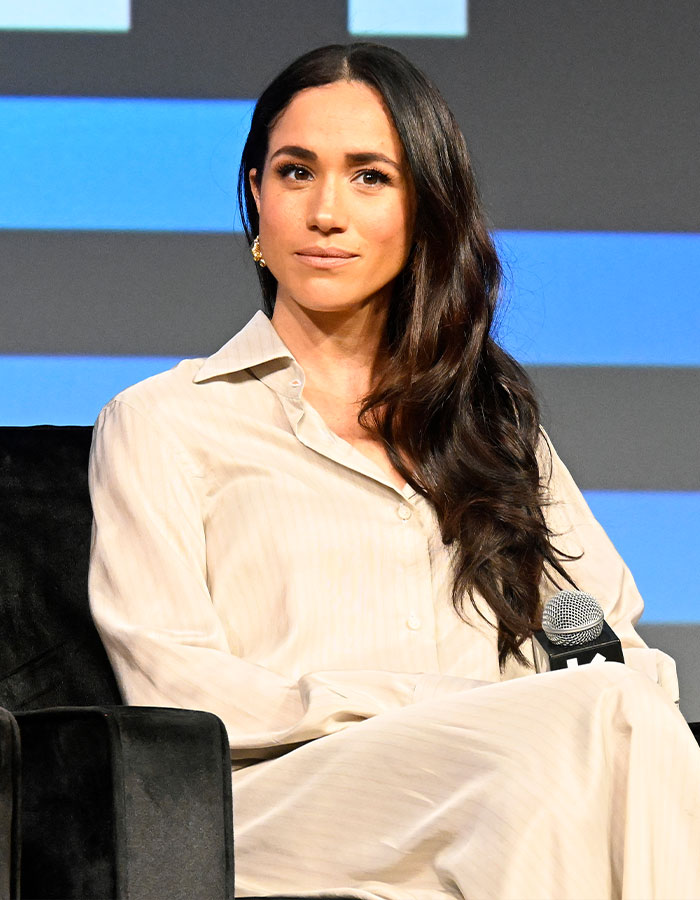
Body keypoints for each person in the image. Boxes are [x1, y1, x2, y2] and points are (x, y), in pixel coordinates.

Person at [88, 42, 700, 899]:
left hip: (501, 786)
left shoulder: (494, 427)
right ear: (256, 201)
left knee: (613, 734)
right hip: (276, 805)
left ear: (423, 211)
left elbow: (611, 647)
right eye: (296, 172)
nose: (325, 211)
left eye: (370, 177)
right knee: (575, 745)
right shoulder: (165, 421)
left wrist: (517, 713)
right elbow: (171, 689)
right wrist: (424, 705)